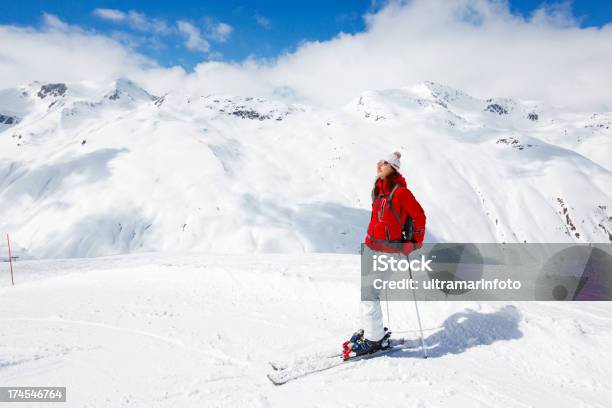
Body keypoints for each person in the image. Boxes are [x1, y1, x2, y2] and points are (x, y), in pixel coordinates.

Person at [342, 151, 426, 359]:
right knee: (366, 291)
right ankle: (369, 330)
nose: (379, 165)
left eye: (385, 163)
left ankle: (374, 339)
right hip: (372, 246)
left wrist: (413, 243)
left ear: (394, 168)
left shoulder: (400, 193)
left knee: (370, 293)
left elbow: (419, 216)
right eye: (379, 162)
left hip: (389, 250)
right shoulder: (378, 190)